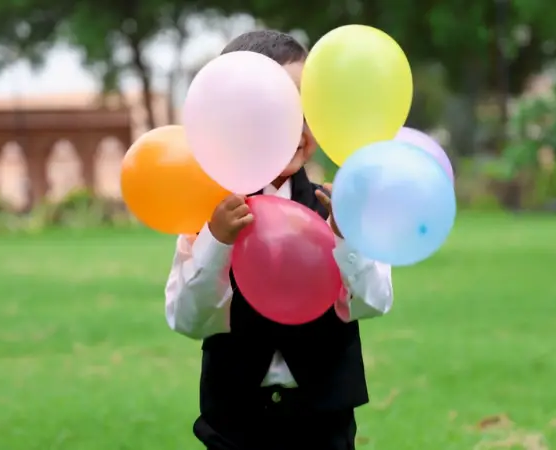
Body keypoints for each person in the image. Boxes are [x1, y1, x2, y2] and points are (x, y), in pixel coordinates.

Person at [164, 30, 394, 450]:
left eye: (308, 110)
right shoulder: (208, 215)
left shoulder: (338, 206)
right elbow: (187, 319)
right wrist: (216, 242)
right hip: (234, 423)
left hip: (324, 422)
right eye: (277, 110)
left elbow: (375, 300)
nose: (297, 127)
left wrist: (346, 239)